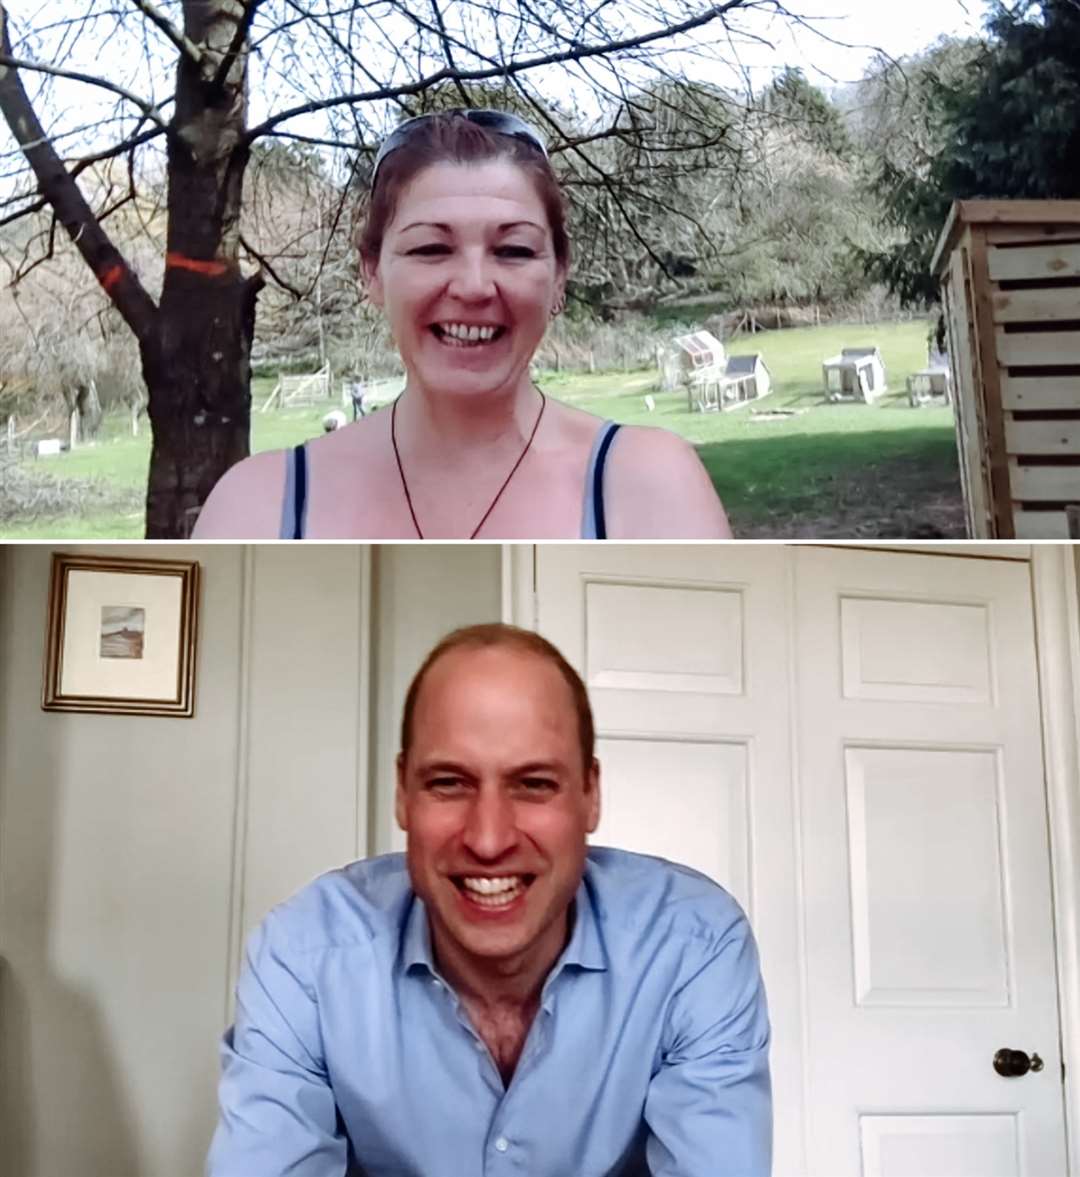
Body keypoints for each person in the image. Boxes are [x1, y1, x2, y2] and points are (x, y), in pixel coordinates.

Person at [207, 623, 771, 1176]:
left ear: (590, 795)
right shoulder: (303, 956)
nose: (488, 838)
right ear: (403, 794)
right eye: (449, 782)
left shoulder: (693, 946)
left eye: (533, 784)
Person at [192, 111, 733, 539]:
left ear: (559, 276)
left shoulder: (649, 484)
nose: (474, 286)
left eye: (514, 250)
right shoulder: (258, 505)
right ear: (372, 273)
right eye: (431, 248)